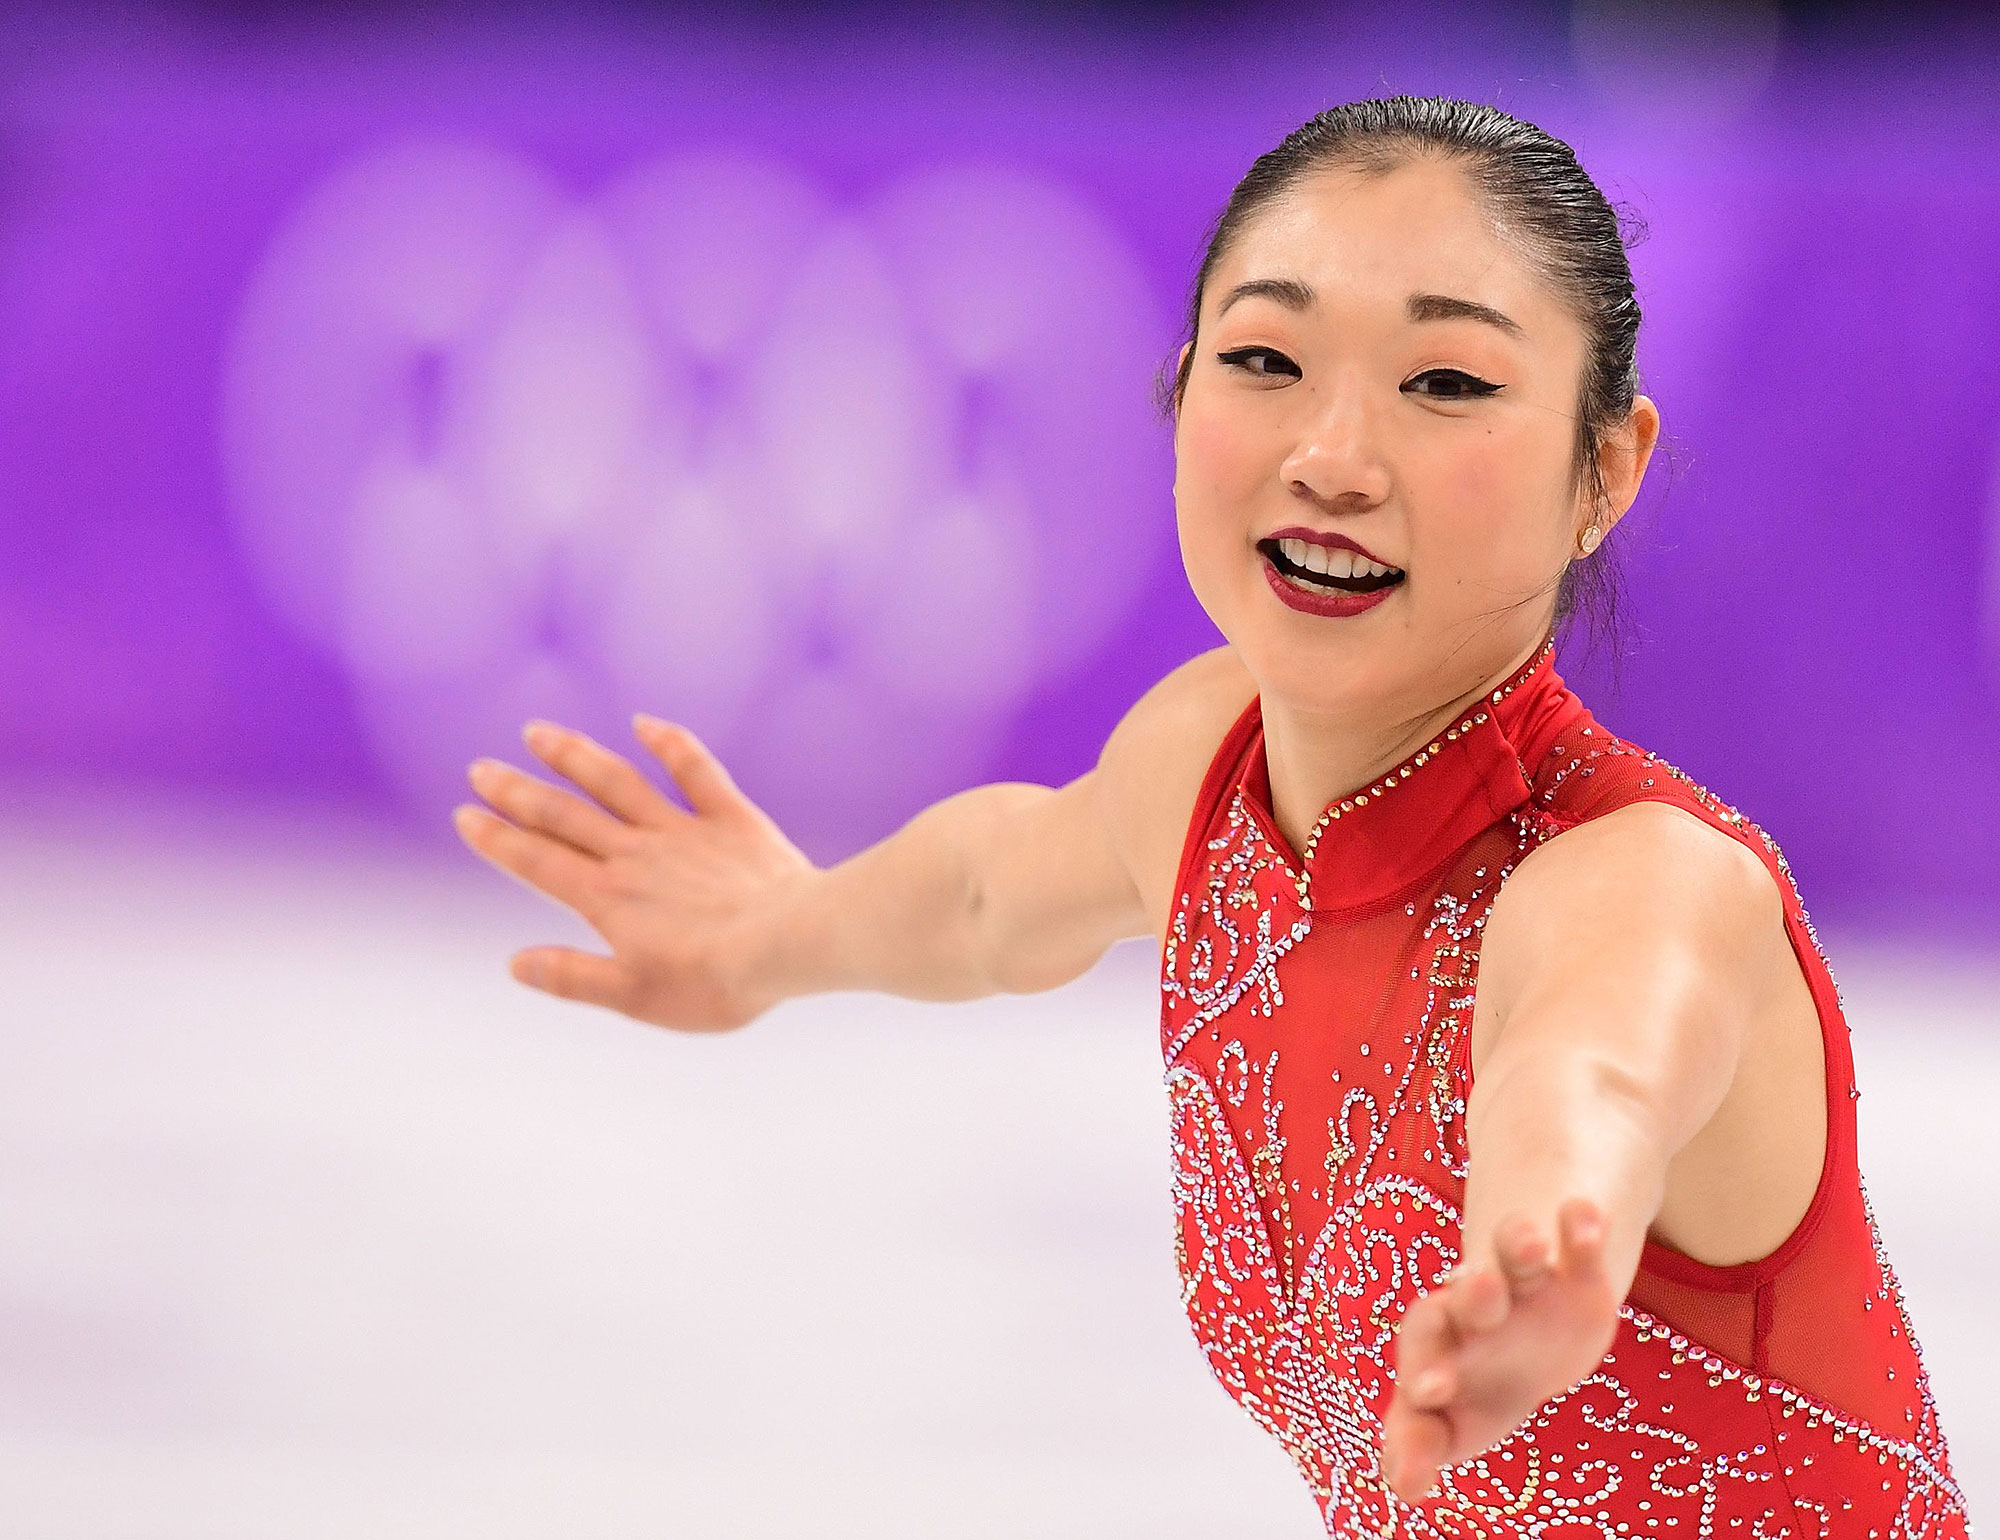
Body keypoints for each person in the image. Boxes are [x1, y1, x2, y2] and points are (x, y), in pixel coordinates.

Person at [452, 97, 1968, 1538]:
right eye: (1266, 359)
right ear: (1182, 390)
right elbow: (988, 892)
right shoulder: (1203, 767)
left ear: (1604, 470)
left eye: (1447, 383)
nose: (1332, 459)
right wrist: (766, 934)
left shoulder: (1638, 879)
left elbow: (1589, 1078)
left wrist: (1546, 1249)